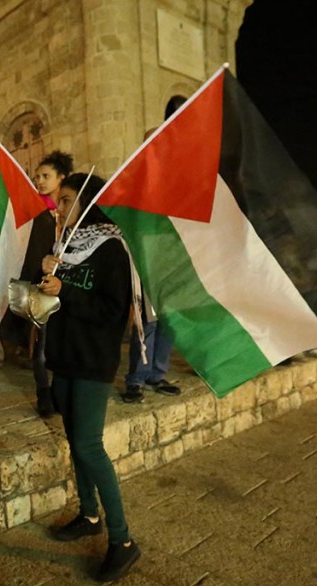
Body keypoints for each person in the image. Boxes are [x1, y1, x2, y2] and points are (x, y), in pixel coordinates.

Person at [39, 172, 141, 582]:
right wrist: (45, 276)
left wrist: (64, 288)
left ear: (87, 203)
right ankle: (89, 513)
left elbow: (113, 310)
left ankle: (124, 542)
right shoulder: (65, 247)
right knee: (74, 442)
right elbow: (56, 296)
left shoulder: (110, 248)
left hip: (93, 360)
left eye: (66, 201)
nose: (58, 208)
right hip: (64, 356)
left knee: (88, 445)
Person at [121, 98, 186, 404]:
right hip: (149, 250)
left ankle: (156, 375)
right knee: (147, 318)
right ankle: (136, 377)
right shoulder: (144, 167)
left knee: (169, 319)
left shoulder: (182, 171)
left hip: (176, 252)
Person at [24, 150, 74, 416]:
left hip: (69, 287)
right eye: (37, 177)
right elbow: (31, 250)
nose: (40, 181)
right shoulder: (38, 212)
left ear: (61, 178)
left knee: (65, 343)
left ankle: (61, 391)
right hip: (43, 286)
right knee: (43, 344)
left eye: (46, 176)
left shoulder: (72, 212)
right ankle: (44, 394)